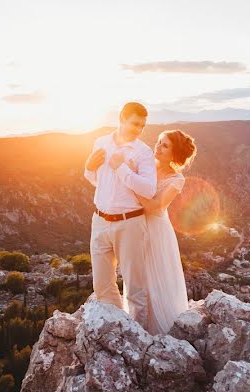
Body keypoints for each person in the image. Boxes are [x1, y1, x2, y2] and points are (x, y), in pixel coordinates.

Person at [83, 102, 156, 329]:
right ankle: (116, 330)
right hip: (100, 221)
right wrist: (87, 167)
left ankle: (138, 337)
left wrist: (121, 168)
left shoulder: (143, 152)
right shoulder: (100, 143)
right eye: (134, 123)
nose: (137, 130)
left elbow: (148, 189)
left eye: (141, 126)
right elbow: (96, 179)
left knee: (135, 287)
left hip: (130, 223)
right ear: (122, 119)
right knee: (102, 285)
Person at [136, 129, 196, 335]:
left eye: (165, 145)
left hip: (158, 233)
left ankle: (160, 332)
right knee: (138, 277)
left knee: (158, 278)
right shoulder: (146, 167)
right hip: (136, 228)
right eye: (158, 142)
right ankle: (137, 325)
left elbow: (155, 207)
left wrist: (131, 184)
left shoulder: (176, 180)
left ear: (174, 153)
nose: (158, 147)